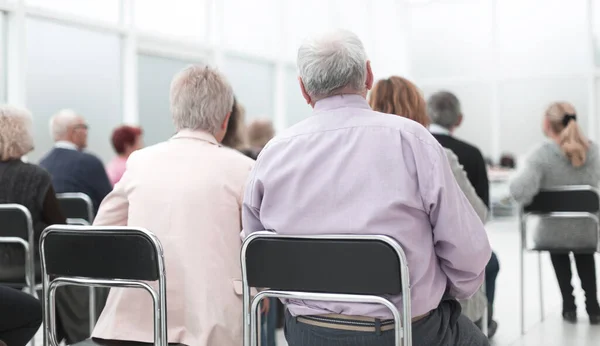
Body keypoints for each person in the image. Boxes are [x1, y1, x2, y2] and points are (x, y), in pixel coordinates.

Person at [242, 30, 491, 346]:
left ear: (304, 90)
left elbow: (258, 258)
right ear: (368, 75)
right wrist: (445, 293)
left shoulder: (272, 156)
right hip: (407, 332)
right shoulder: (413, 142)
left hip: (309, 334)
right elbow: (468, 253)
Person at [90, 65, 255, 345]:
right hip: (212, 324)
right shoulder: (244, 169)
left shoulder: (140, 161)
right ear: (226, 120)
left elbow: (101, 234)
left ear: (175, 113)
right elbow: (258, 247)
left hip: (134, 321)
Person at [369, 76, 490, 332]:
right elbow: (478, 218)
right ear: (419, 110)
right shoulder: (434, 153)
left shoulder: (356, 159)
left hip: (359, 298)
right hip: (421, 306)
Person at [0, 105, 94, 344]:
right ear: (23, 135)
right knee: (67, 264)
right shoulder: (36, 176)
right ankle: (75, 336)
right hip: (27, 266)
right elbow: (59, 228)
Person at [510, 102, 600, 324]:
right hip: (588, 232)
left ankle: (568, 306)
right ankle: (593, 306)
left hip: (552, 233)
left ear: (547, 123)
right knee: (583, 249)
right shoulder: (595, 151)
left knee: (558, 243)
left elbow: (519, 192)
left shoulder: (540, 155)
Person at [427, 91, 500, 331]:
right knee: (490, 263)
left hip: (416, 257)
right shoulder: (470, 154)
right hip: (457, 252)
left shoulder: (414, 148)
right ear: (458, 120)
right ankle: (483, 321)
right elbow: (482, 214)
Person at [39, 109, 112, 212]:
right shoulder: (90, 162)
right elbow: (110, 202)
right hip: (85, 227)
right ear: (74, 131)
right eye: (84, 127)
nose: (87, 132)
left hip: (53, 227)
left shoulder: (42, 164)